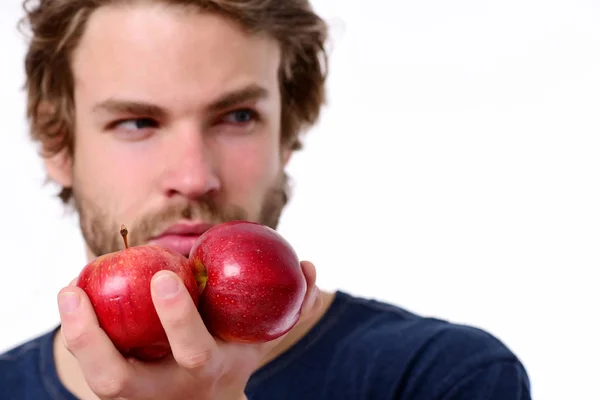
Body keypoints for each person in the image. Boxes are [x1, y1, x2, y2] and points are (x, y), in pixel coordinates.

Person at [0, 0, 532, 399]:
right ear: (58, 145)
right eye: (137, 122)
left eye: (237, 117)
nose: (193, 177)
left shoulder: (441, 378)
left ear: (287, 133)